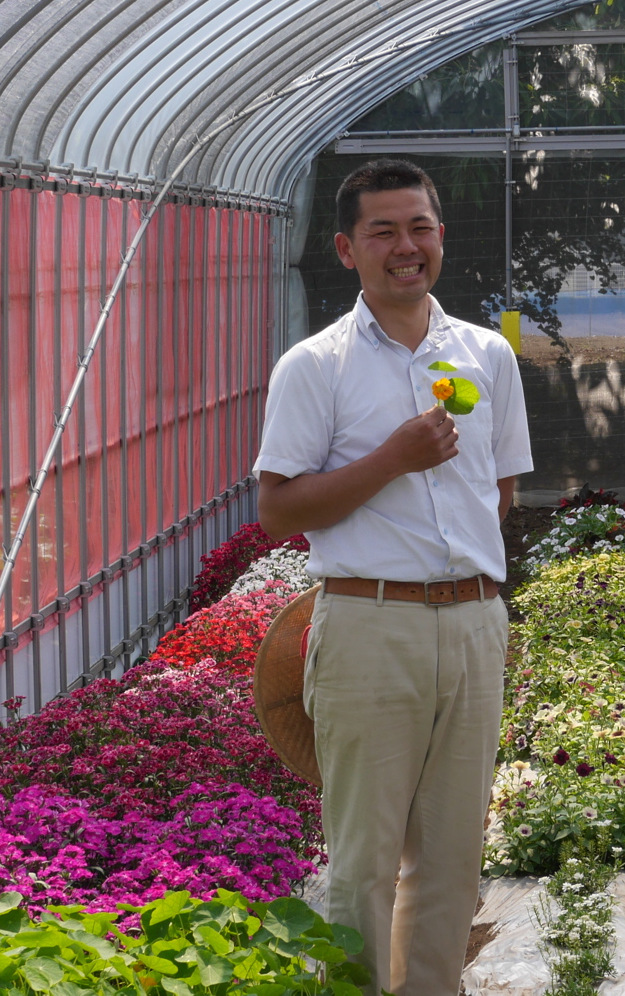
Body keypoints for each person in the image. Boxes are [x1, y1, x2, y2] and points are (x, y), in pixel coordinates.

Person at [253, 158, 531, 995]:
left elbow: (501, 490)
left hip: (476, 624)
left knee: (453, 855)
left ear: (441, 236)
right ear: (346, 248)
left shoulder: (487, 354)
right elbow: (278, 510)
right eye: (384, 231)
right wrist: (392, 461)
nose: (405, 246)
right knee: (365, 860)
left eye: (420, 227)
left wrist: (450, 570)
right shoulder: (317, 366)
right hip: (369, 626)